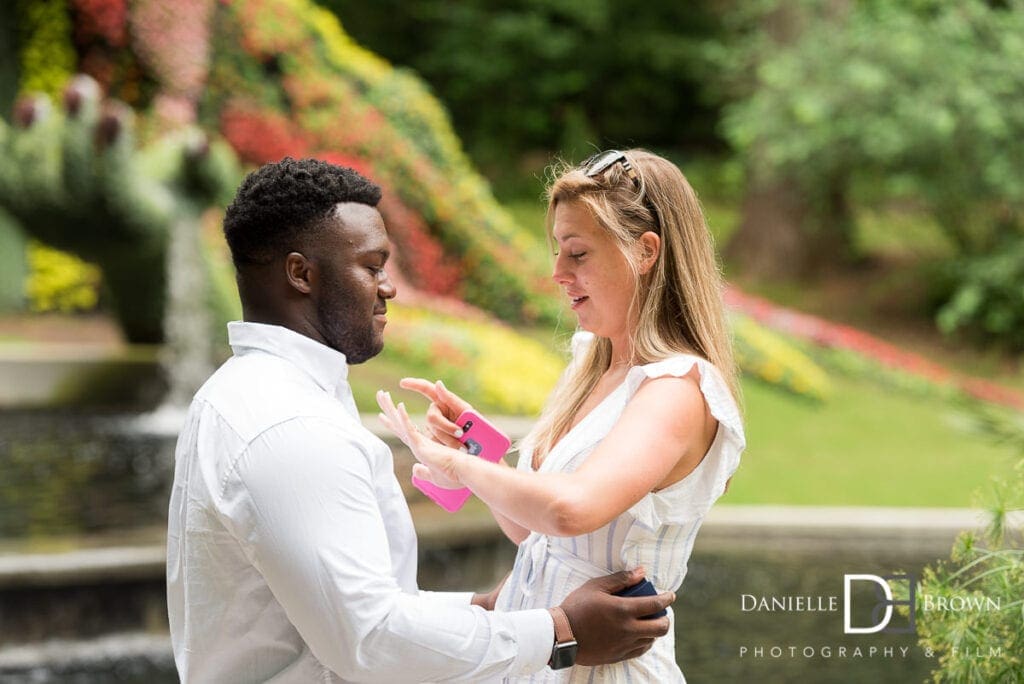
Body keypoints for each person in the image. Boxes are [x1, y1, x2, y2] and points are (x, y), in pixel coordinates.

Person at [165, 157, 674, 683]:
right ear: (301, 273)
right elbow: (369, 641)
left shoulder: (241, 395)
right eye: (371, 265)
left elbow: (357, 610)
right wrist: (558, 632)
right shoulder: (289, 426)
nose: (388, 287)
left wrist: (486, 609)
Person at [377, 149, 745, 682]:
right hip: (546, 655)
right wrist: (482, 452)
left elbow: (571, 511)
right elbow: (535, 535)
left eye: (577, 253)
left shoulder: (677, 389)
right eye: (557, 252)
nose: (557, 273)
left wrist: (459, 469)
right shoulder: (592, 368)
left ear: (645, 252)